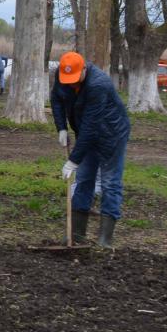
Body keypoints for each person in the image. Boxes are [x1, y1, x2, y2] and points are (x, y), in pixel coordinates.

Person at [50, 51, 131, 248]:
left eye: (74, 79)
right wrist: (61, 127)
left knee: (110, 182)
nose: (70, 84)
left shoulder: (98, 85)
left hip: (111, 134)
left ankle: (105, 240)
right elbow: (56, 100)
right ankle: (76, 235)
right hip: (87, 132)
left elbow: (90, 127)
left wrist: (73, 160)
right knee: (84, 178)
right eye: (67, 80)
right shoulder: (62, 75)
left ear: (84, 69)